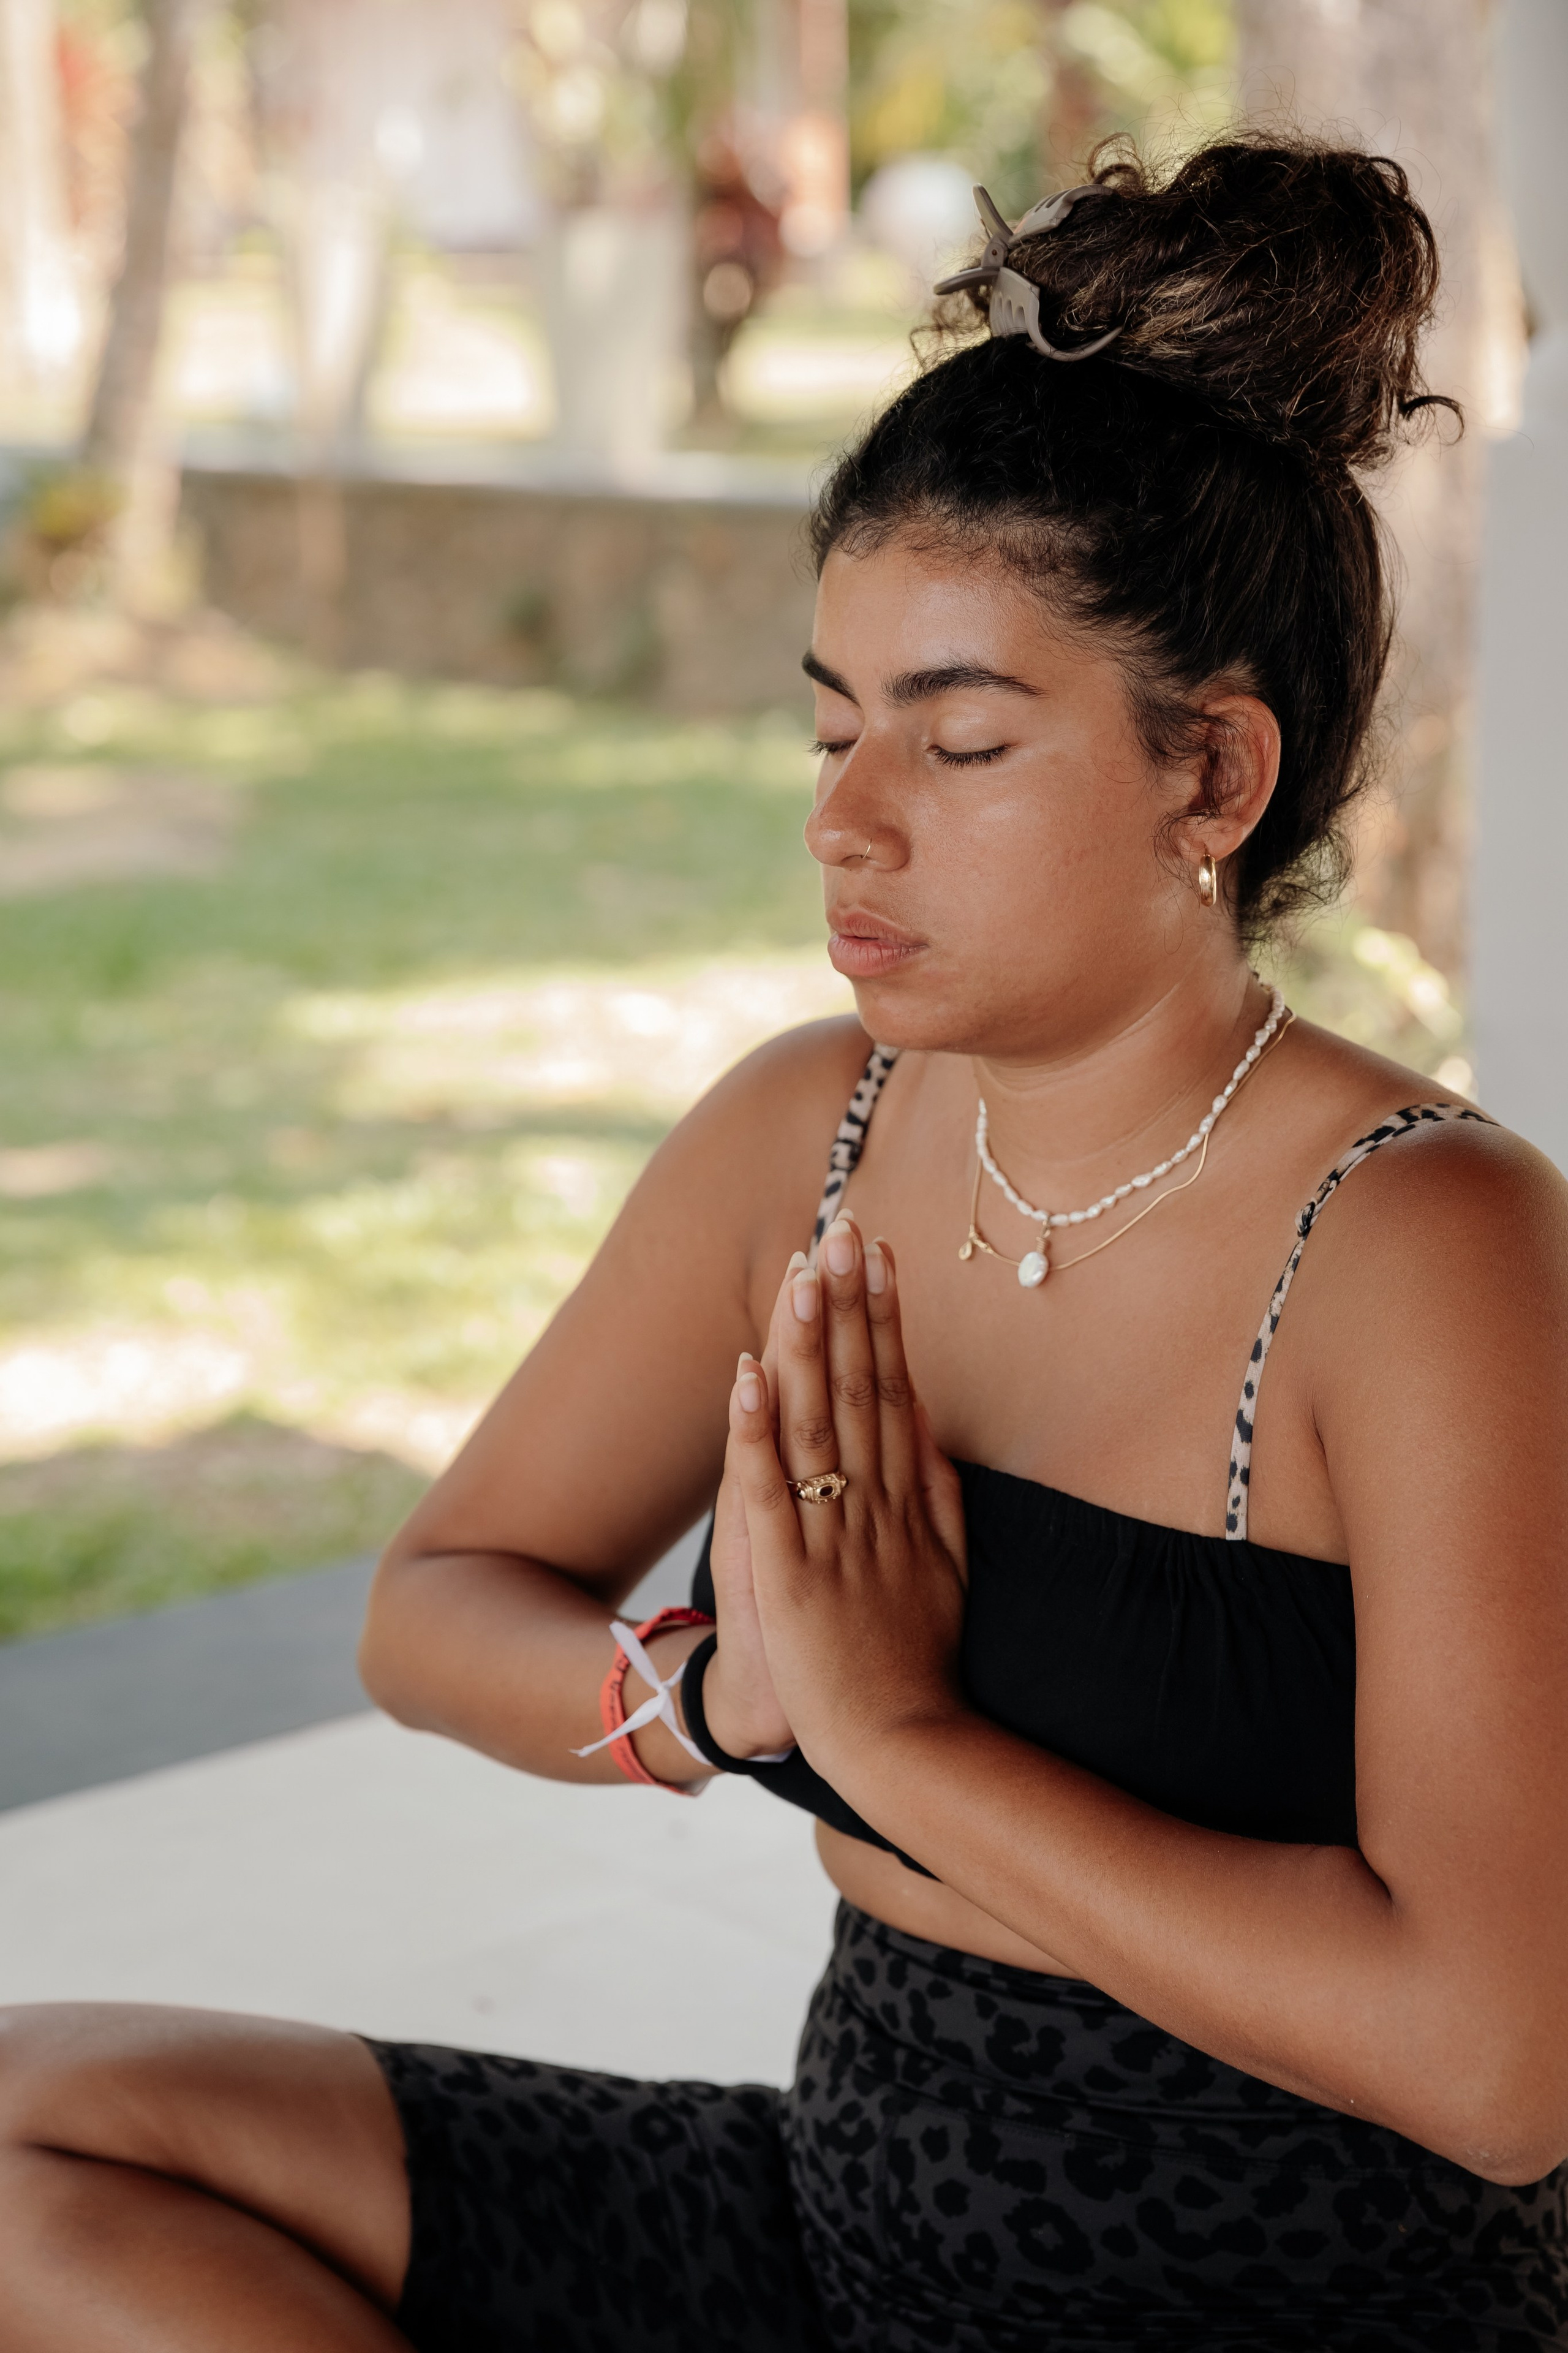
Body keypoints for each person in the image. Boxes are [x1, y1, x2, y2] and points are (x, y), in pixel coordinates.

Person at [3, 132, 1567, 2353]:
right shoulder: (806, 1138)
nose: (847, 820)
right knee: (33, 2144)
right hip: (852, 2227)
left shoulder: (1428, 1243)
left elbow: (1499, 2071)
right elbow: (438, 1611)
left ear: (1213, 774)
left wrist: (898, 1740)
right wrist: (724, 1698)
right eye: (832, 727)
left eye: (963, 739)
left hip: (1268, 2298)